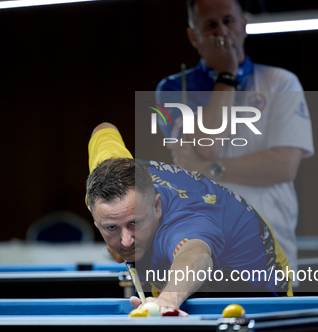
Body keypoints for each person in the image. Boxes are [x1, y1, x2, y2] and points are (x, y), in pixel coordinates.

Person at [155, 0, 314, 274]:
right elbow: (210, 145)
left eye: (228, 21)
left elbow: (284, 166)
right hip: (203, 247)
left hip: (269, 247)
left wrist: (207, 170)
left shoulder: (281, 82)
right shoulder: (174, 89)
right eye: (211, 25)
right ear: (194, 37)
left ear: (243, 24)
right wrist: (226, 75)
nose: (222, 32)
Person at [86, 122, 292, 316]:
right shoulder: (106, 177)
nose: (126, 240)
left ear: (157, 206)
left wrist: (168, 299)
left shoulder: (183, 224)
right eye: (111, 226)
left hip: (256, 282)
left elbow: (196, 255)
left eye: (134, 223)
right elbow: (104, 129)